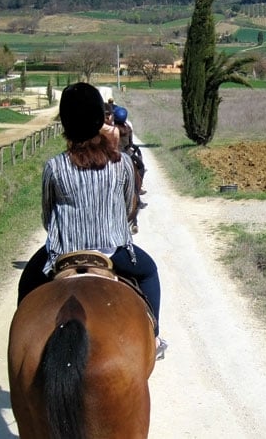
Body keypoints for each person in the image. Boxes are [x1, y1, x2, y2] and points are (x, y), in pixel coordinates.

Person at [17, 82, 167, 359]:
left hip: (63, 254)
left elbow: (48, 216)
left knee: (27, 284)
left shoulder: (54, 166)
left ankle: (21, 350)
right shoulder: (121, 163)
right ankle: (154, 338)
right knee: (149, 273)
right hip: (113, 251)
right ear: (100, 119)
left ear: (65, 123)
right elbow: (126, 208)